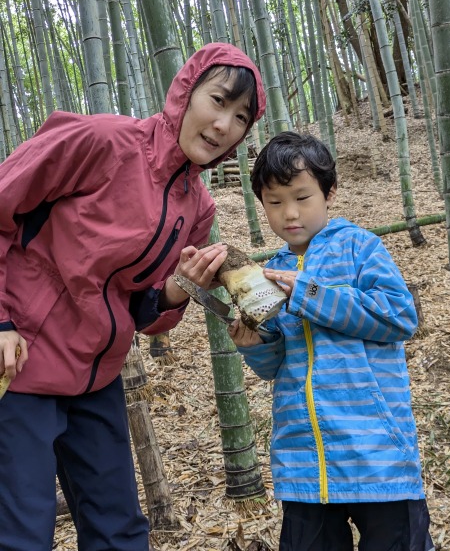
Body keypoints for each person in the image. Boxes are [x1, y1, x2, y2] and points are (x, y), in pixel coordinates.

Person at [0, 42, 266, 551]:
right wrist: (1, 323)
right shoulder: (102, 141)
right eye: (217, 101)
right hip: (20, 360)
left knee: (119, 531)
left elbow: (144, 310)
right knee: (19, 534)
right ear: (184, 92)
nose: (223, 125)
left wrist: (179, 289)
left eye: (240, 117)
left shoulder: (199, 208)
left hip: (96, 373)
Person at [228, 131, 434, 551]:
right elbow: (276, 367)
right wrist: (256, 344)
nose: (289, 213)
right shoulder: (273, 271)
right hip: (304, 464)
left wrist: (310, 294)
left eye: (302, 197)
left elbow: (399, 317)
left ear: (330, 192)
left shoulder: (361, 248)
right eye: (274, 202)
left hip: (377, 457)